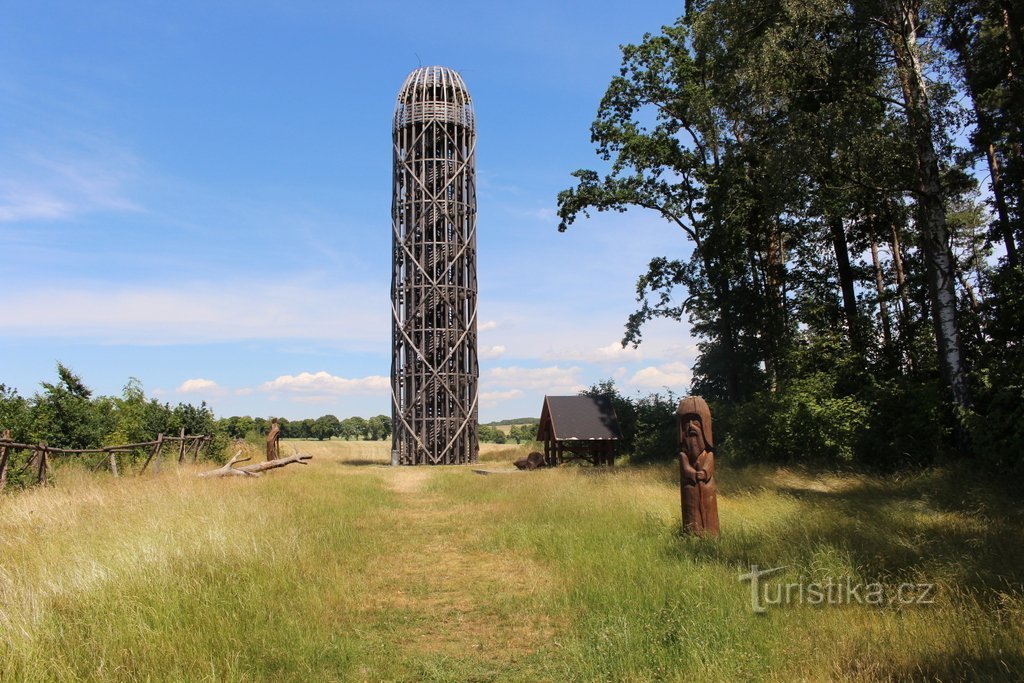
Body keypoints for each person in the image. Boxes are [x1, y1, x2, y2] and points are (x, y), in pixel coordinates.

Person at [677, 396, 720, 537]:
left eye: (695, 422)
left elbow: (709, 467)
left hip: (706, 489)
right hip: (690, 488)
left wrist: (705, 473)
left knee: (709, 510)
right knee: (692, 510)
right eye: (686, 423)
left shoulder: (708, 455)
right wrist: (692, 474)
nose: (690, 426)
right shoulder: (683, 455)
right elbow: (685, 469)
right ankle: (693, 533)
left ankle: (711, 533)